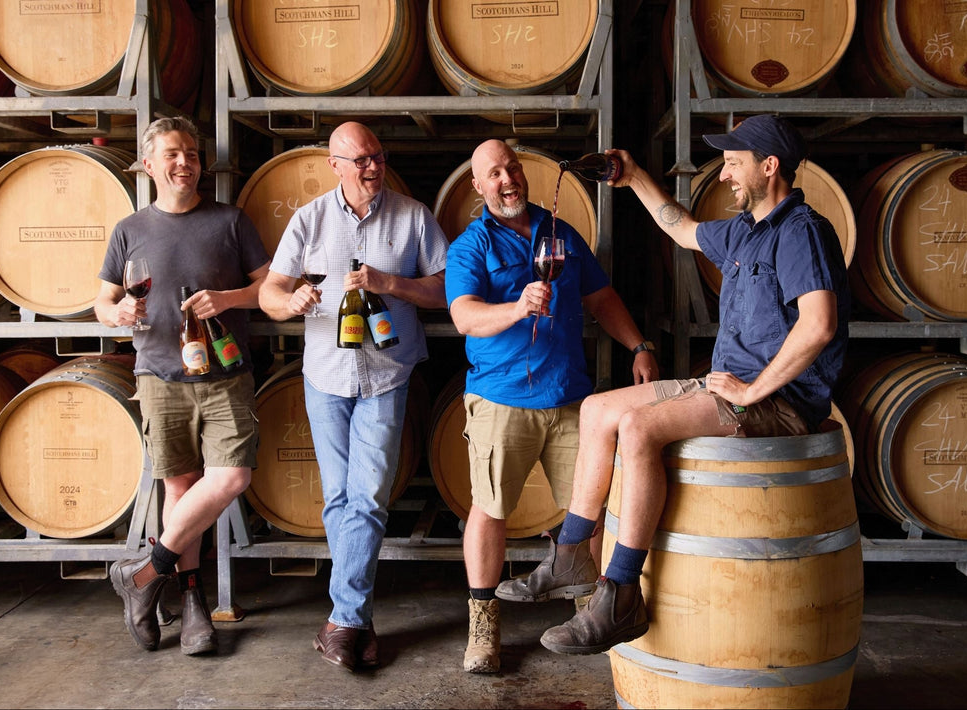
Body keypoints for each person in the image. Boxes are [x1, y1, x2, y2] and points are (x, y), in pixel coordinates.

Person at [500, 113, 851, 655]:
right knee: (597, 410)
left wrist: (753, 392)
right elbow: (680, 227)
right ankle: (570, 556)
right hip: (724, 386)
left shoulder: (802, 233)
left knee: (639, 428)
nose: (725, 174)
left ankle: (620, 595)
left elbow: (819, 325)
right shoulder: (744, 230)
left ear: (769, 166)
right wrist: (634, 176)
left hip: (778, 402)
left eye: (733, 163)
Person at [445, 139, 659, 674]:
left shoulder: (560, 231)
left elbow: (600, 297)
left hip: (569, 398)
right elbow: (465, 316)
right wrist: (516, 307)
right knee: (490, 510)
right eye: (495, 173)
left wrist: (638, 345)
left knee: (591, 513)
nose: (507, 179)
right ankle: (483, 625)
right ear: (478, 185)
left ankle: (594, 612)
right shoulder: (471, 245)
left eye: (513, 168)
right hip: (500, 398)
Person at [258, 122, 448, 672]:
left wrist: (391, 284)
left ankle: (343, 619)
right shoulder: (309, 219)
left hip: (387, 374)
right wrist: (289, 303)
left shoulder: (413, 217)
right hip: (325, 375)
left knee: (367, 498)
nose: (372, 168)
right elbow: (270, 292)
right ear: (334, 165)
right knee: (338, 498)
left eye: (378, 157)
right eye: (360, 160)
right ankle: (354, 620)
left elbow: (444, 289)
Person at [95, 116, 271, 656]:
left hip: (226, 375)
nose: (184, 163)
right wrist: (118, 312)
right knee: (179, 489)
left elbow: (268, 288)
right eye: (172, 154)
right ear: (148, 164)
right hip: (159, 375)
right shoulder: (129, 230)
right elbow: (103, 302)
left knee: (232, 476)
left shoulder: (230, 221)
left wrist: (228, 298)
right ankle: (193, 601)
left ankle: (145, 574)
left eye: (191, 154)